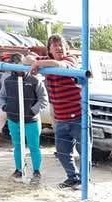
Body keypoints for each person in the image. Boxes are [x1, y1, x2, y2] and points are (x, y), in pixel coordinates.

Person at [27, 34, 83, 189]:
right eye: (55, 46)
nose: (59, 48)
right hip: (60, 117)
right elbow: (27, 59)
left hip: (79, 116)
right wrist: (35, 61)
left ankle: (85, 182)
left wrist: (38, 63)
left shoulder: (70, 60)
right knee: (62, 152)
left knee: (83, 150)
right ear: (49, 49)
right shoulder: (45, 61)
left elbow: (59, 65)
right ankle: (73, 177)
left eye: (62, 46)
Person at [0, 54, 48, 185]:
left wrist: (33, 111)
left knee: (34, 146)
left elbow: (43, 99)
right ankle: (19, 169)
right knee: (17, 146)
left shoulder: (35, 80)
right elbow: (2, 96)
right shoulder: (8, 80)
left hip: (31, 120)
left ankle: (36, 171)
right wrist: (5, 107)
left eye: (23, 65)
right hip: (13, 119)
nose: (20, 68)